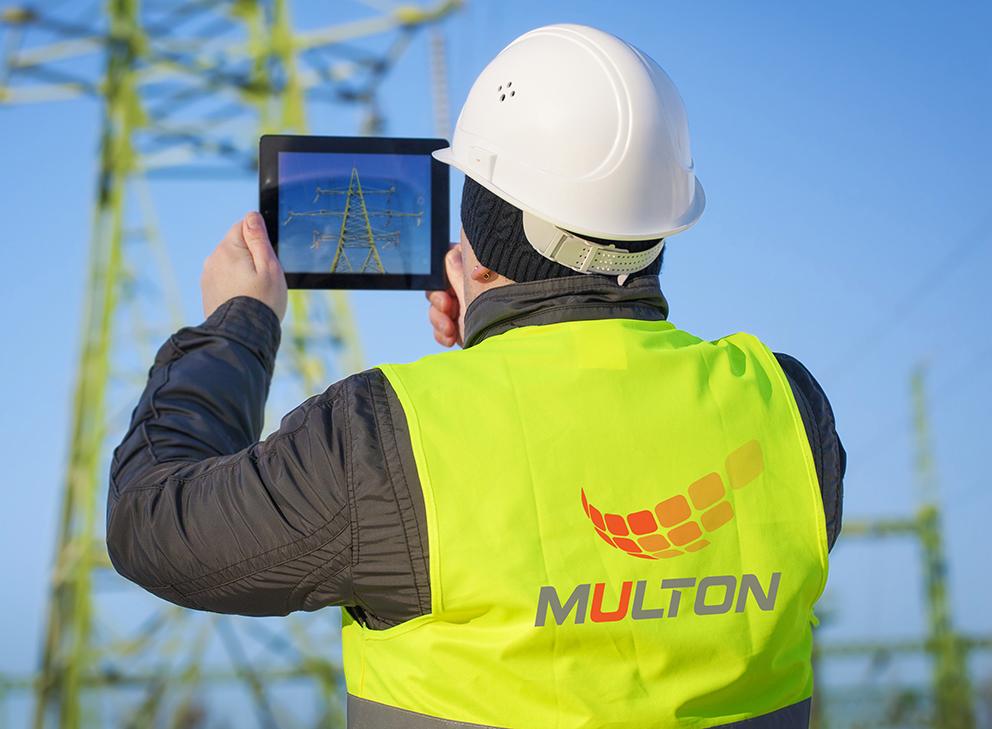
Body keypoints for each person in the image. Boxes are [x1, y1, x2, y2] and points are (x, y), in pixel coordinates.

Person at [108, 23, 844, 729]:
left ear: (482, 238)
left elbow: (152, 523)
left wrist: (237, 324)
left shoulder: (383, 441)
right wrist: (503, 335)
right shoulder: (789, 410)